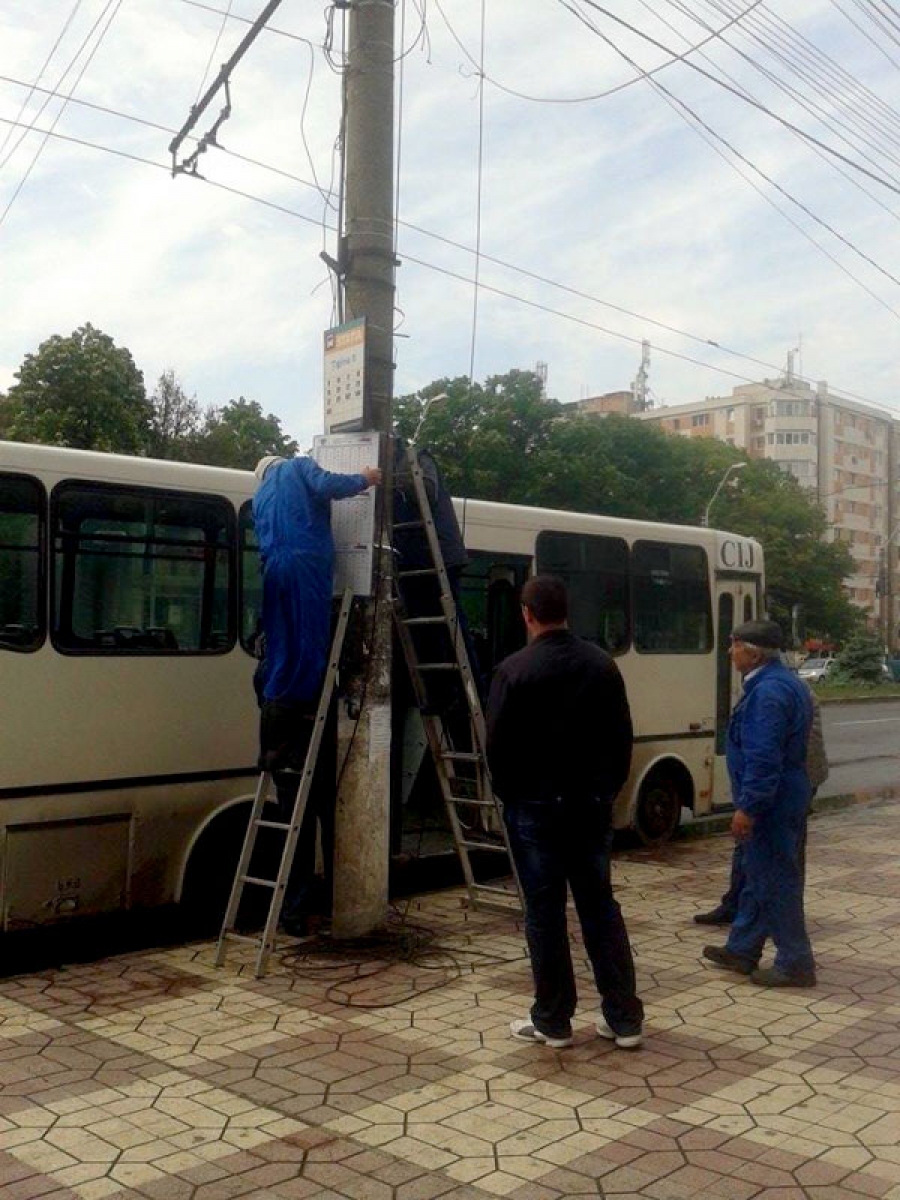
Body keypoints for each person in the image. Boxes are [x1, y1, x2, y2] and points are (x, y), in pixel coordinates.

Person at [486, 575, 644, 1049]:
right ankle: (623, 1019)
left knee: (545, 914)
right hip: (591, 808)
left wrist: (512, 798)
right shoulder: (602, 665)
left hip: (535, 809)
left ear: (527, 614)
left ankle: (553, 1021)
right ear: (565, 611)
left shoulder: (513, 670)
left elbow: (497, 748)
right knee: (600, 909)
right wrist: (604, 793)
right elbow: (621, 740)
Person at [252, 452, 381, 936]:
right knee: (308, 650)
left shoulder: (261, 496)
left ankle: (299, 909)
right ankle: (317, 905)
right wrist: (365, 479)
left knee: (286, 649)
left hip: (275, 570)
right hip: (306, 565)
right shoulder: (297, 468)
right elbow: (327, 483)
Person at [702, 619, 817, 987]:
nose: (729, 652)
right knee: (758, 876)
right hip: (782, 796)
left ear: (752, 652)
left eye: (734, 645)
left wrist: (749, 807)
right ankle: (743, 948)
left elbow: (764, 757)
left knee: (776, 881)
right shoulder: (780, 682)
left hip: (772, 802)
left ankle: (795, 962)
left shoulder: (768, 692)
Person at [694, 678, 828, 927]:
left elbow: (785, 746)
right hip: (776, 783)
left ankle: (782, 919)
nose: (730, 652)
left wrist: (759, 795)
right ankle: (738, 909)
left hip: (789, 784)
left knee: (783, 854)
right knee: (748, 847)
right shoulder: (761, 686)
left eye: (736, 645)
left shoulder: (779, 689)